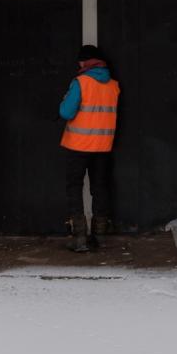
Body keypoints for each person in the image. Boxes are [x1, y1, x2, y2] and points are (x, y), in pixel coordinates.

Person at [59, 44, 120, 252]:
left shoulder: (81, 83)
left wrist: (65, 100)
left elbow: (66, 112)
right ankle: (100, 236)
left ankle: (79, 237)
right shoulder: (113, 85)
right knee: (100, 188)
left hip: (78, 145)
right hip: (102, 146)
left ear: (85, 62)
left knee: (74, 187)